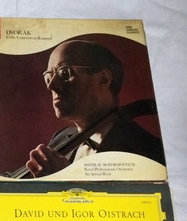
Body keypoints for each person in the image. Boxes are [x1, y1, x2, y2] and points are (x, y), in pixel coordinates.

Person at [26, 40, 166, 177]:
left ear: (104, 78)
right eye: (49, 77)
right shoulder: (61, 137)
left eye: (64, 73)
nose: (51, 85)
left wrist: (65, 178)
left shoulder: (149, 150)